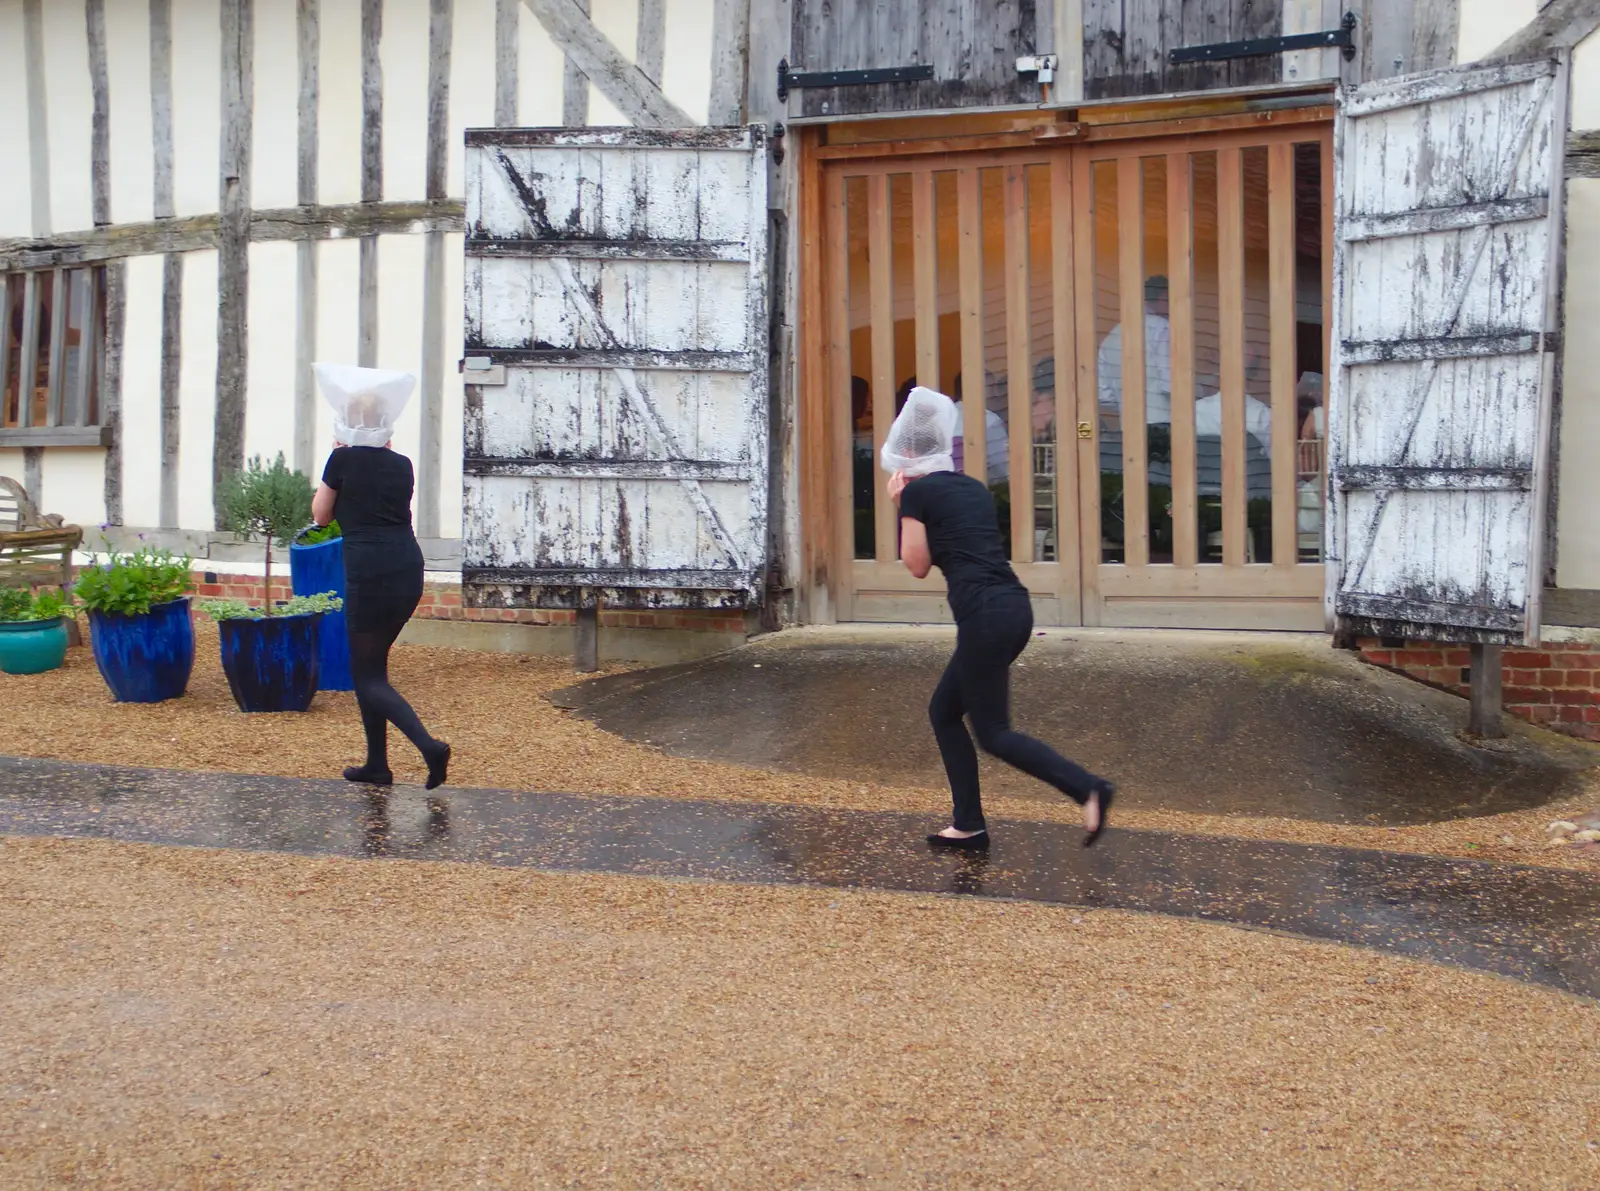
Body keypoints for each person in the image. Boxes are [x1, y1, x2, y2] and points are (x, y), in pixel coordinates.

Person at [883, 386, 1115, 849]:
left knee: (993, 732)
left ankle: (1087, 787)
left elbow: (917, 564)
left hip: (985, 617)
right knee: (944, 712)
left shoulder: (916, 493)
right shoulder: (971, 487)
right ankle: (968, 823)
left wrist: (900, 506)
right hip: (1013, 608)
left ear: (908, 451)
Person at [309, 364, 450, 791]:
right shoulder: (402, 464)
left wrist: (336, 460)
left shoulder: (341, 458)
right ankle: (377, 764)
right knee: (374, 668)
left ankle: (429, 746)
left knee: (366, 676)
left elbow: (321, 515)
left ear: (347, 420)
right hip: (408, 568)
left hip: (368, 574)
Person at [1097, 275, 1173, 426]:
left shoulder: (1111, 337)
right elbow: (1169, 383)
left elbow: (1103, 394)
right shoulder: (1161, 327)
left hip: (1127, 425)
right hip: (1162, 422)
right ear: (1163, 298)